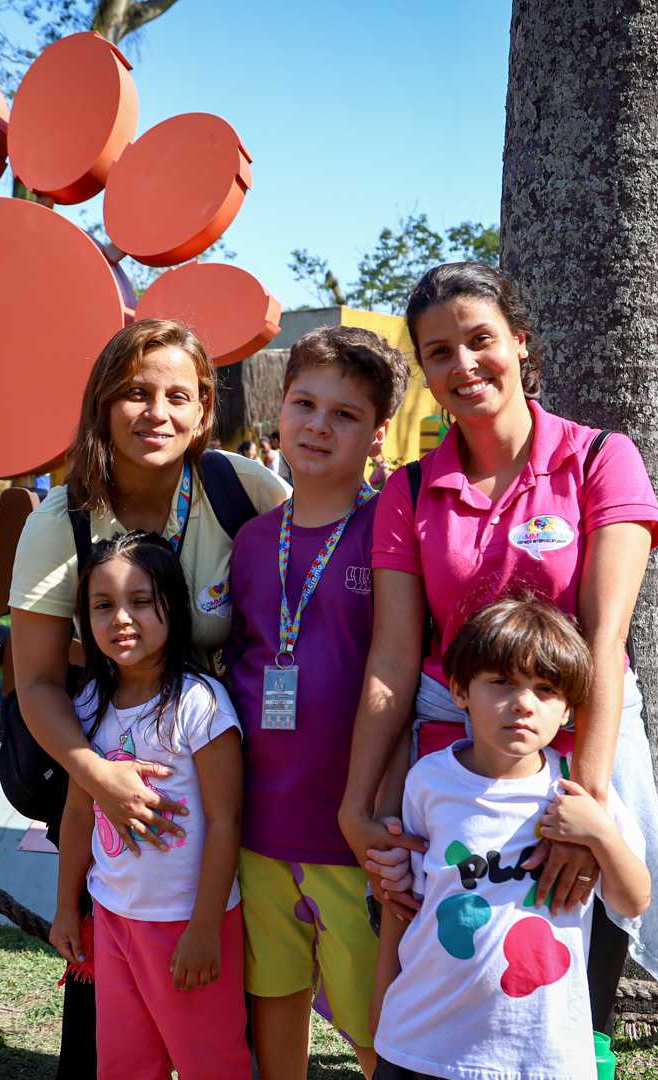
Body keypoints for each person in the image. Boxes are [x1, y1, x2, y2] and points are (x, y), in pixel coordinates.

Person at [336, 262, 658, 1030]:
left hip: (582, 737)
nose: (462, 365)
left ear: (520, 342)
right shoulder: (411, 488)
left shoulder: (599, 459)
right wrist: (357, 808)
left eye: (480, 339)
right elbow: (394, 658)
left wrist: (582, 810)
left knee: (570, 972)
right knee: (434, 970)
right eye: (437, 352)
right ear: (422, 369)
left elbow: (605, 636)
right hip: (446, 750)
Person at [9, 318, 288, 1078]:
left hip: (238, 765)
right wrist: (95, 776)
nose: (155, 412)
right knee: (108, 1026)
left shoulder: (244, 490)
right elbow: (34, 680)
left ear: (203, 409)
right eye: (134, 392)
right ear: (101, 405)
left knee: (226, 1008)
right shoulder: (59, 518)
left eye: (177, 395)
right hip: (107, 760)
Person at [223, 326, 409, 1079]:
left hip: (355, 829)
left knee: (376, 1027)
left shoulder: (390, 531)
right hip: (261, 823)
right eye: (305, 403)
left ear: (377, 434)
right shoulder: (252, 538)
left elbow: (403, 676)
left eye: (345, 414)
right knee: (274, 1005)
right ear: (280, 409)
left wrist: (381, 812)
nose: (318, 425)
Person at [370, 598, 650, 1080]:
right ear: (460, 689)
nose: (523, 703)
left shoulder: (579, 796)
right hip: (423, 1040)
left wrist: (599, 832)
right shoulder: (427, 782)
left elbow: (634, 899)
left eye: (546, 689)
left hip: (540, 1050)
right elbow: (406, 906)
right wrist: (381, 1003)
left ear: (568, 710)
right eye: (501, 682)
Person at [49, 532, 250, 1080]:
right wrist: (68, 906)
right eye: (103, 605)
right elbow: (75, 813)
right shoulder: (88, 702)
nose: (122, 618)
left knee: (211, 1063)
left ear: (173, 606)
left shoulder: (199, 703)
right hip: (112, 920)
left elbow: (226, 819)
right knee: (123, 1064)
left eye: (141, 601)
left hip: (187, 924)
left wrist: (206, 927)